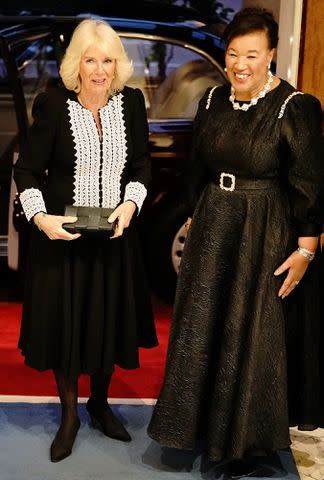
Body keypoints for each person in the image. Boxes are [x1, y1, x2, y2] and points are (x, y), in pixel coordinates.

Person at [148, 7, 324, 477]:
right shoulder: (210, 100)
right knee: (203, 327)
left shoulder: (295, 107)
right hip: (213, 227)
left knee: (249, 335)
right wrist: (195, 217)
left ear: (270, 55)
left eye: (251, 54)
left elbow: (308, 184)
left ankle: (242, 444)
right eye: (232, 54)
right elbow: (196, 172)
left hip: (263, 232)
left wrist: (306, 250)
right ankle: (200, 429)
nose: (240, 64)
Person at [14, 19, 158, 463]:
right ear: (77, 63)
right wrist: (41, 218)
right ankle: (71, 414)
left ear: (118, 64)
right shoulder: (54, 104)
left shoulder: (131, 102)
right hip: (63, 241)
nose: (99, 70)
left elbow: (141, 166)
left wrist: (130, 205)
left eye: (108, 60)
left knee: (107, 321)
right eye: (91, 60)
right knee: (67, 325)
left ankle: (99, 402)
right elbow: (26, 170)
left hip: (114, 237)